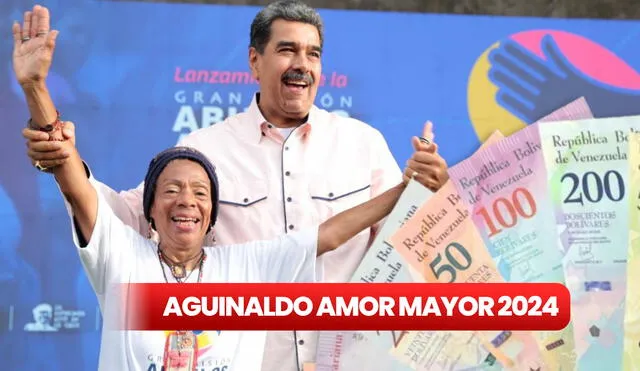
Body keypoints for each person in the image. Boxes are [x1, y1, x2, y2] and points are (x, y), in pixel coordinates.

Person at [18, 2, 449, 370]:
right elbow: (116, 214)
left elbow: (407, 248)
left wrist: (429, 191)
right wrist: (56, 149)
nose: (302, 64)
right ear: (254, 61)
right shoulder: (202, 151)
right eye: (287, 50)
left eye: (313, 53)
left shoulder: (364, 144)